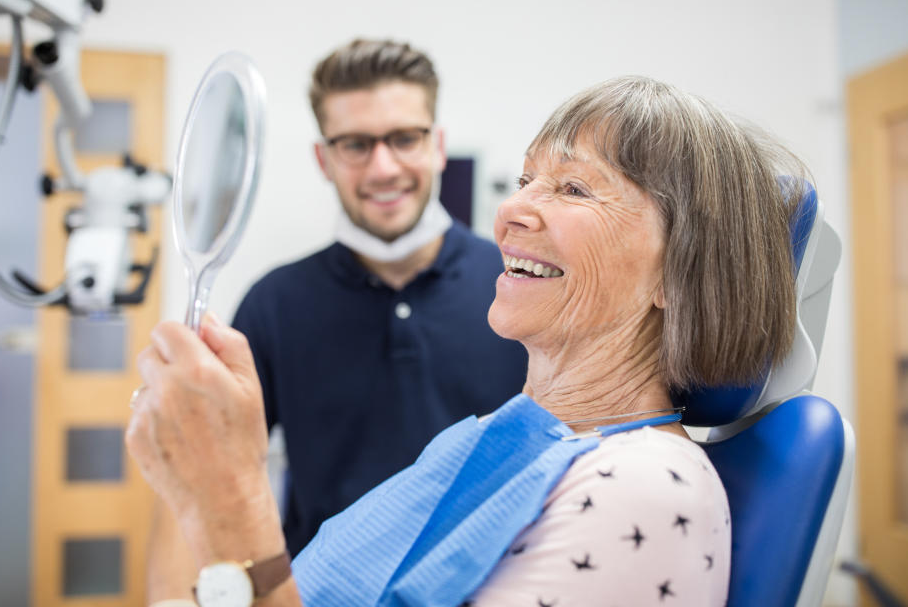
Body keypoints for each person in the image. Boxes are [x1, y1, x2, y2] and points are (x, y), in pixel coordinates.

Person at [128, 75, 807, 606]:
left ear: (681, 268)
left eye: (573, 187)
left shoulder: (643, 490)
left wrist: (229, 506)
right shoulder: (513, 440)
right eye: (524, 181)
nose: (511, 210)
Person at [145, 38, 528, 599]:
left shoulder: (518, 287)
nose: (383, 166)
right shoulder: (275, 303)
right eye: (355, 144)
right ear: (324, 159)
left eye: (404, 138)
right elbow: (205, 471)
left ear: (437, 146)